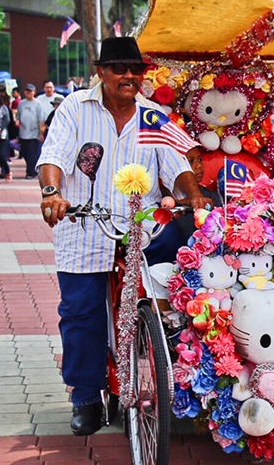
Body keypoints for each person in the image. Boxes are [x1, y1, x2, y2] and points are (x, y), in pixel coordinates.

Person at [38, 36, 206, 436]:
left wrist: (194, 196)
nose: (129, 76)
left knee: (180, 299)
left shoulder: (153, 116)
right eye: (119, 68)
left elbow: (177, 165)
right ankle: (84, 395)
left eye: (136, 69)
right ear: (101, 71)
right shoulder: (75, 108)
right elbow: (53, 156)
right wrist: (52, 194)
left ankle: (176, 381)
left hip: (143, 229)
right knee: (81, 313)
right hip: (84, 226)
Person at [16, 84, 46, 179]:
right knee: (24, 152)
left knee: (32, 153)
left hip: (34, 133)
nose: (28, 93)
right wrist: (17, 122)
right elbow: (18, 117)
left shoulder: (38, 104)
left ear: (34, 92)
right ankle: (32, 169)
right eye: (26, 91)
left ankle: (30, 172)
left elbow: (41, 120)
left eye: (30, 91)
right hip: (23, 132)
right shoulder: (21, 104)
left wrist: (41, 133)